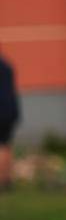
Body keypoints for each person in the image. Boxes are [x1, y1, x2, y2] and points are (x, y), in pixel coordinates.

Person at [0, 52, 18, 192]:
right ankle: (7, 179)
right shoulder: (7, 66)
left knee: (2, 145)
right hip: (11, 110)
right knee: (6, 144)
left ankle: (2, 180)